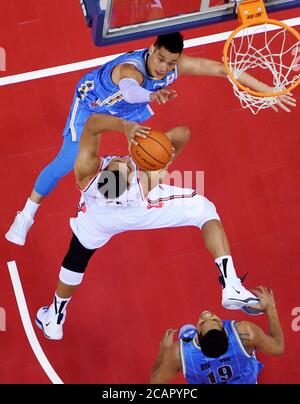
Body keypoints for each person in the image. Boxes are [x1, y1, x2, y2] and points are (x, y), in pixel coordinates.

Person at [5, 32, 296, 246]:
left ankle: (121, 187)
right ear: (151, 48)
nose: (163, 67)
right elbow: (131, 90)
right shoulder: (132, 68)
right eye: (160, 58)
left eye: (171, 63)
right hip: (93, 104)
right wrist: (152, 95)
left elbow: (222, 69)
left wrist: (267, 90)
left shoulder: (174, 67)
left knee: (150, 148)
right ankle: (26, 215)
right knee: (67, 160)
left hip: (127, 109)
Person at [35, 113, 261, 341]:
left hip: (95, 217)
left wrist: (129, 130)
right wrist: (156, 142)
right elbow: (184, 132)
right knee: (205, 210)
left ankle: (54, 316)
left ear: (104, 172)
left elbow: (92, 125)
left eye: (120, 164)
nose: (123, 161)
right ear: (131, 175)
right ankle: (230, 283)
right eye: (125, 166)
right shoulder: (145, 178)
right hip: (139, 208)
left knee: (77, 256)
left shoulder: (86, 172)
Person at [150, 286, 284, 384]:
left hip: (201, 369)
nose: (207, 314)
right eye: (214, 320)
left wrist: (163, 355)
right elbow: (278, 347)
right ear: (224, 331)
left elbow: (155, 383)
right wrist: (270, 309)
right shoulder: (245, 334)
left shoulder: (178, 354)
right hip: (245, 380)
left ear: (197, 337)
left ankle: (189, 333)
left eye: (203, 322)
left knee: (185, 330)